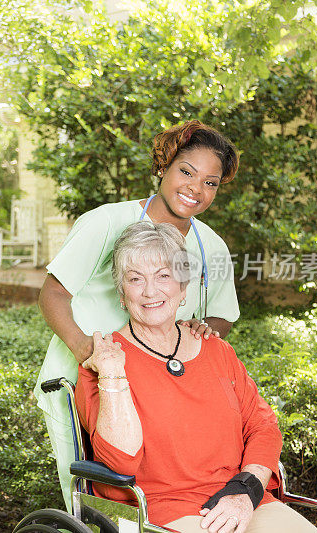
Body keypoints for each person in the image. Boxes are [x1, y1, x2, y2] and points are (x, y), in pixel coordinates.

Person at [36, 120, 241, 509]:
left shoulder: (210, 247)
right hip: (84, 384)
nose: (196, 189)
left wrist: (201, 329)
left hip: (159, 393)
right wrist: (86, 351)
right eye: (186, 172)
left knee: (157, 498)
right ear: (163, 167)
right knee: (98, 500)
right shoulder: (106, 223)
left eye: (210, 183)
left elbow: (221, 315)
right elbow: (53, 294)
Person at [74, 221, 317, 533]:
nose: (150, 291)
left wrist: (247, 489)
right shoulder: (104, 362)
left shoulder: (216, 350)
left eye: (164, 276)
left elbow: (263, 427)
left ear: (183, 287)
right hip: (159, 508)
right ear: (122, 294)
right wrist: (112, 374)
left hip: (239, 498)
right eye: (135, 279)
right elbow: (120, 463)